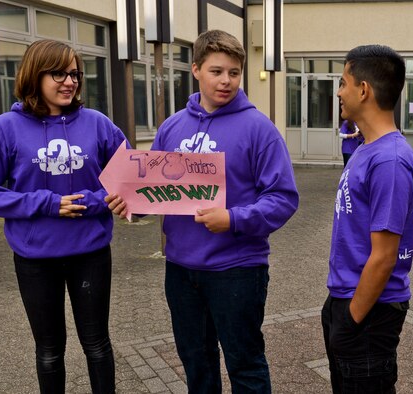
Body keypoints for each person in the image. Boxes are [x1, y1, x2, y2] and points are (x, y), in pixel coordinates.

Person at [106, 30, 299, 392]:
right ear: (195, 69)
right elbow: (159, 193)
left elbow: (284, 198)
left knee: (245, 365)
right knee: (196, 363)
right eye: (216, 71)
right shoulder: (172, 127)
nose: (226, 81)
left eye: (234, 72)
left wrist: (233, 219)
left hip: (238, 270)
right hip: (180, 270)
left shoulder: (260, 129)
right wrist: (132, 205)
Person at [0, 39, 127, 394]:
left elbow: (128, 181)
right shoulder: (5, 128)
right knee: (50, 352)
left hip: (91, 254)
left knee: (97, 345)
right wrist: (47, 204)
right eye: (58, 73)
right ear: (34, 75)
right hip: (36, 258)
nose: (69, 82)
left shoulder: (98, 124)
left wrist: (94, 201)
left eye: (74, 74)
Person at [322, 45, 413, 393]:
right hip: (346, 300)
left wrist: (350, 320)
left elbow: (384, 256)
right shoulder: (367, 148)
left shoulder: (389, 161)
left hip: (368, 313)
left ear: (363, 90)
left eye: (343, 82)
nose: (338, 92)